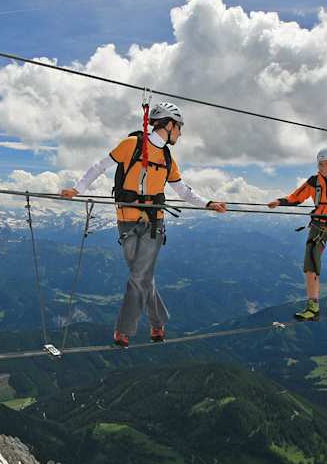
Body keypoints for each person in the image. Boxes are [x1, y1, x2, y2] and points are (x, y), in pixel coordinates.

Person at [61, 102, 228, 347]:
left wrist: (209, 203)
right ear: (169, 124)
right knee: (143, 277)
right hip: (126, 222)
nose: (180, 133)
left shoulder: (168, 158)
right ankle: (158, 322)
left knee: (139, 276)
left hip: (154, 224)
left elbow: (182, 190)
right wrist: (78, 189)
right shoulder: (131, 145)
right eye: (179, 128)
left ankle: (123, 330)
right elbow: (100, 166)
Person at [268, 146, 327, 321]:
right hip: (318, 226)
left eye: (326, 164)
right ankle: (312, 306)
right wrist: (279, 202)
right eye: (320, 164)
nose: (323, 168)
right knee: (310, 265)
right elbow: (296, 197)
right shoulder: (314, 181)